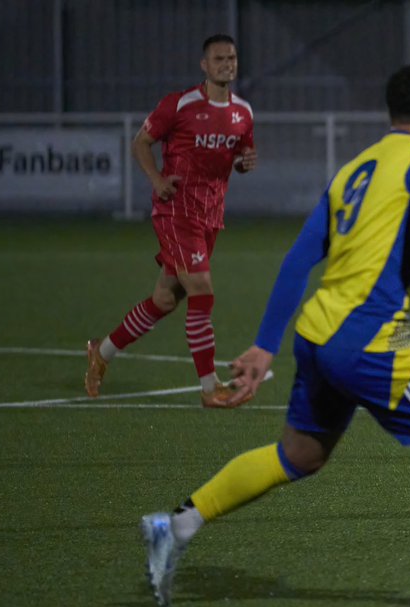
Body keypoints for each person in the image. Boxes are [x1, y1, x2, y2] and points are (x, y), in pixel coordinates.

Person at [138, 64, 410, 607]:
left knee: (298, 456)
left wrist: (266, 344)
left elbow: (299, 258)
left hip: (317, 334)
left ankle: (175, 526)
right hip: (369, 340)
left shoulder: (353, 170)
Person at [84, 34, 257, 408]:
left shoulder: (243, 112)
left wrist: (245, 163)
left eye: (231, 58)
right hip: (176, 211)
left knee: (164, 299)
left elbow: (241, 155)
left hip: (211, 217)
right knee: (202, 290)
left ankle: (103, 351)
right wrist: (157, 180)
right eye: (218, 59)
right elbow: (140, 143)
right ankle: (210, 388)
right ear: (204, 65)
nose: (226, 64)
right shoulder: (179, 104)